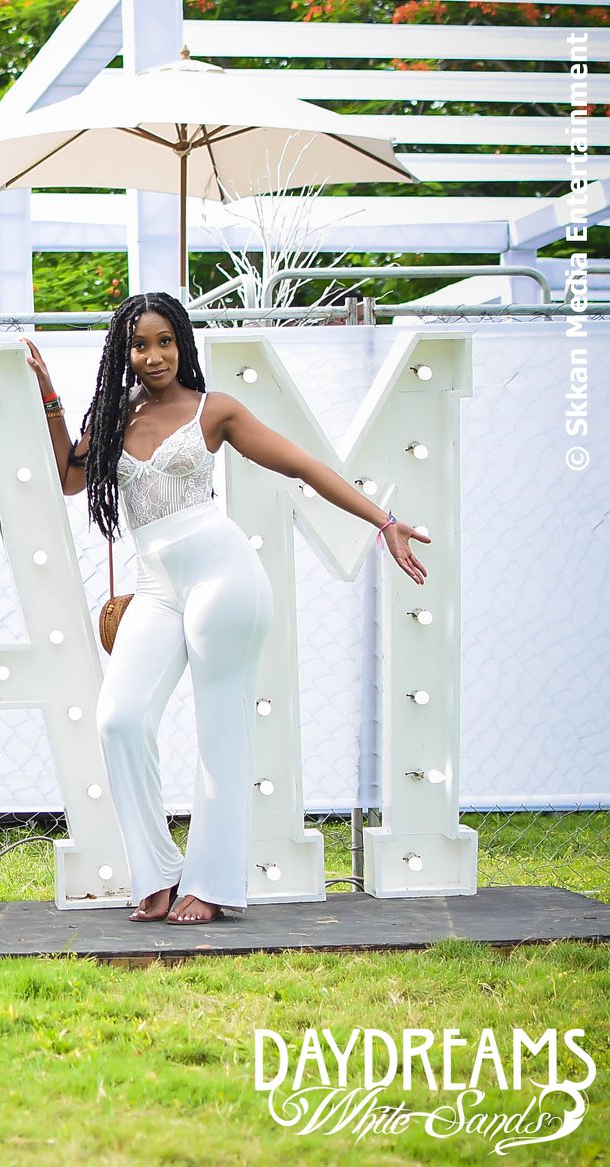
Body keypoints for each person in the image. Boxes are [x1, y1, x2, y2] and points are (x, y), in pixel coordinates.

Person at [32, 293, 430, 925]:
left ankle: (212, 884)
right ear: (124, 354)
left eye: (165, 341)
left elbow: (303, 465)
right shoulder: (114, 416)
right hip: (156, 586)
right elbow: (69, 477)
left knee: (219, 731)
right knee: (119, 718)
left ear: (183, 344)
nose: (155, 356)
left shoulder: (213, 410)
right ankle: (159, 872)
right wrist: (51, 398)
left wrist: (383, 521)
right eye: (140, 345)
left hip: (223, 576)